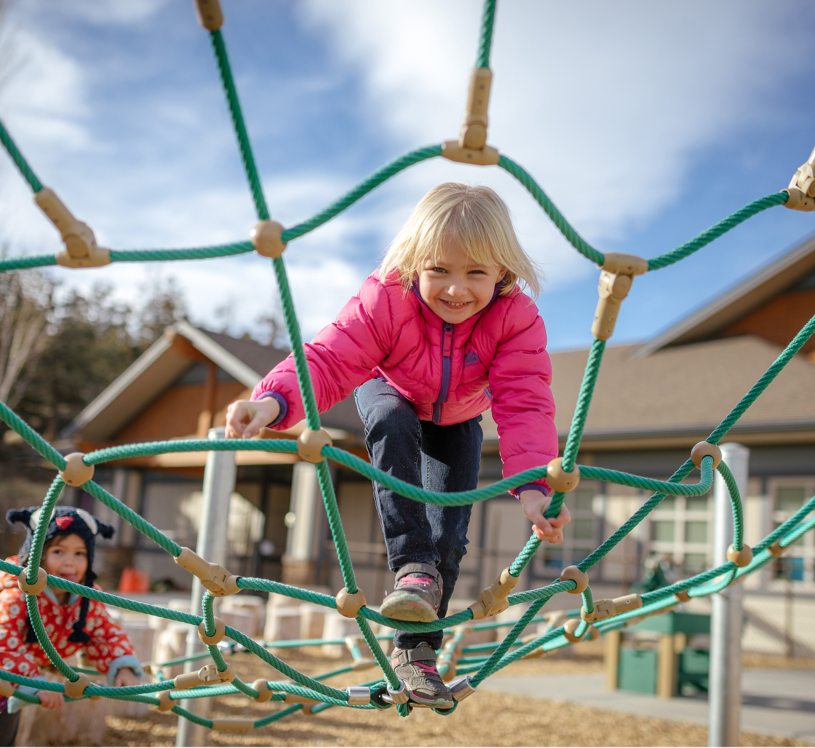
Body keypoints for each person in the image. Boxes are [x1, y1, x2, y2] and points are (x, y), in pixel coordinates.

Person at [226, 182, 570, 708]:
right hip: (393, 391)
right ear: (414, 263)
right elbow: (330, 357)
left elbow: (524, 402)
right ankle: (411, 566)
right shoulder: (387, 296)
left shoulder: (513, 318)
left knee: (450, 536)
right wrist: (273, 402)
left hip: (457, 418)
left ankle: (417, 654)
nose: (456, 289)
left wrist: (532, 489)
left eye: (475, 272)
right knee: (389, 421)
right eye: (440, 270)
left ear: (503, 271)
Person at [0, 506, 144, 746]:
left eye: (80, 554)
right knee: (1, 721)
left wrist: (121, 665)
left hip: (45, 662)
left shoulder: (86, 599)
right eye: (58, 551)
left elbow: (106, 634)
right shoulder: (18, 595)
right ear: (37, 556)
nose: (70, 562)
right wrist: (34, 682)